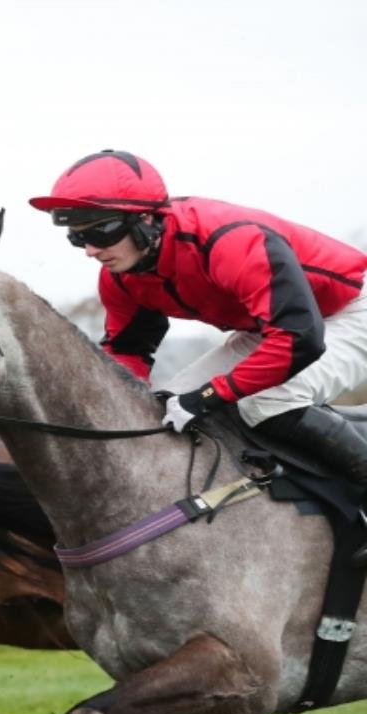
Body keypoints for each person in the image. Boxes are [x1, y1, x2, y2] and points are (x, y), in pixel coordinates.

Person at [29, 149, 367, 482]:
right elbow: (128, 351)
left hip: (349, 311)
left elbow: (299, 340)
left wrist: (210, 395)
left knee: (267, 400)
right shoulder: (121, 275)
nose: (90, 250)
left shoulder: (230, 241)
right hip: (273, 326)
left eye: (100, 232)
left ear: (146, 219)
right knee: (167, 408)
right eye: (77, 237)